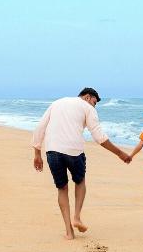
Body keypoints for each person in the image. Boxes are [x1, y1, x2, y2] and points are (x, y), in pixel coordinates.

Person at [32, 87, 131, 240]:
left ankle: (69, 232)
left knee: (62, 188)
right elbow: (99, 136)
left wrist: (37, 153)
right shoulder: (87, 107)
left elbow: (40, 127)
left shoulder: (57, 103)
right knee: (80, 181)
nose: (94, 106)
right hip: (74, 151)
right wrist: (120, 153)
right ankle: (77, 217)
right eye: (94, 102)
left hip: (52, 151)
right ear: (87, 97)